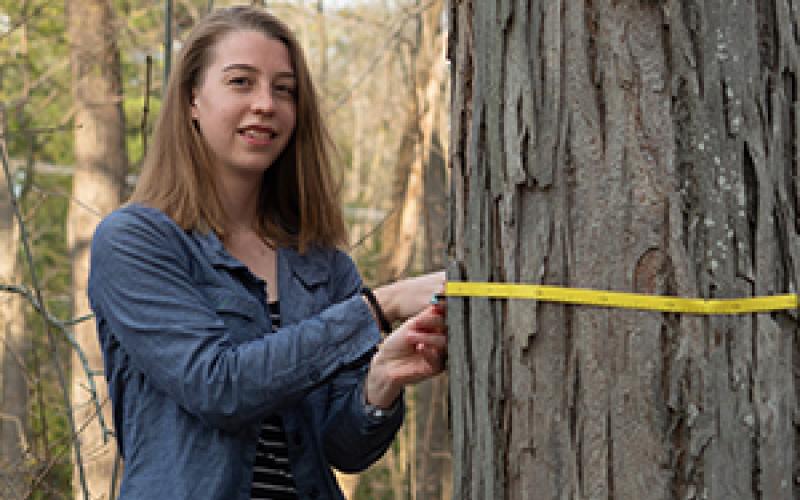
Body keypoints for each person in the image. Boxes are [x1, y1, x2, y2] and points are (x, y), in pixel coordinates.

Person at [87, 5, 447, 500]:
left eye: (284, 90)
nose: (265, 104)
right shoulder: (136, 241)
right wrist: (378, 308)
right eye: (241, 82)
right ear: (193, 98)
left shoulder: (322, 265)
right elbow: (218, 387)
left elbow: (344, 449)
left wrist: (382, 379)